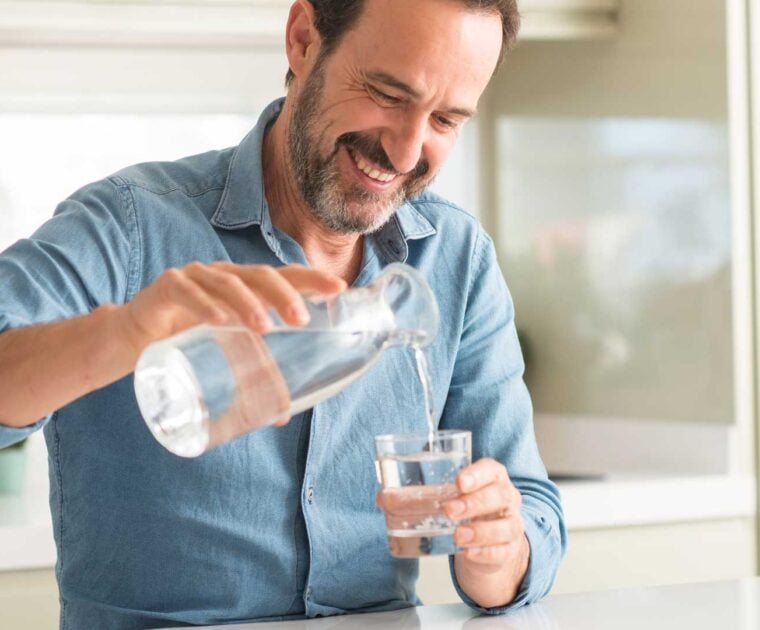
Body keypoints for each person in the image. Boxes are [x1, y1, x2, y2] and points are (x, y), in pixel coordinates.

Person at [0, 0, 566, 627]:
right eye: (386, 92)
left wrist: (497, 552)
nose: (407, 152)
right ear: (302, 40)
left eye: (446, 119)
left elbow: (530, 506)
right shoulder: (134, 226)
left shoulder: (456, 257)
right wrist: (124, 333)